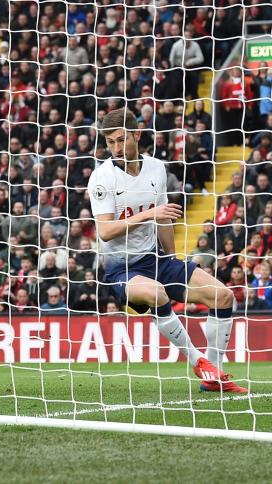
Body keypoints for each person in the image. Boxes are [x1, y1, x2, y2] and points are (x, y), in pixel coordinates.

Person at [88, 108, 245, 393]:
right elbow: (105, 231)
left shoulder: (156, 168)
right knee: (157, 293)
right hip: (121, 269)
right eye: (110, 142)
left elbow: (163, 220)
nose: (115, 148)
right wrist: (149, 215)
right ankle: (197, 361)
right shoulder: (102, 178)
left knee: (223, 296)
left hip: (157, 260)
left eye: (121, 140)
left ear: (137, 134)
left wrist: (172, 259)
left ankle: (213, 377)